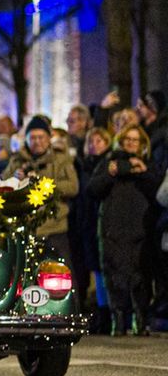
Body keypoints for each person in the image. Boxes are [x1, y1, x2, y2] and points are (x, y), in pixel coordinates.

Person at [88, 125, 159, 335]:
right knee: (115, 277)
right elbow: (93, 189)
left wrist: (143, 172)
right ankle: (117, 321)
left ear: (142, 144)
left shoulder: (147, 165)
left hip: (140, 231)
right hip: (112, 231)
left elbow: (158, 191)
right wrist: (111, 173)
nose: (130, 143)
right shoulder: (110, 163)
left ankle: (140, 320)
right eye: (127, 138)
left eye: (135, 140)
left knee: (141, 277)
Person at [4, 115, 79, 264]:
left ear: (48, 138)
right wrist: (14, 178)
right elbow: (1, 186)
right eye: (33, 138)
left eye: (41, 137)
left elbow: (73, 187)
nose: (37, 142)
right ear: (26, 139)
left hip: (55, 230)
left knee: (62, 277)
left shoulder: (61, 159)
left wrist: (43, 185)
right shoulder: (17, 160)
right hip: (25, 230)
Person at [71, 127, 112, 329]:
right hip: (86, 222)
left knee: (104, 269)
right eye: (91, 141)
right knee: (94, 269)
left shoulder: (107, 164)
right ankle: (100, 309)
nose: (94, 145)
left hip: (102, 221)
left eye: (99, 141)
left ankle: (108, 312)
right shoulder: (83, 165)